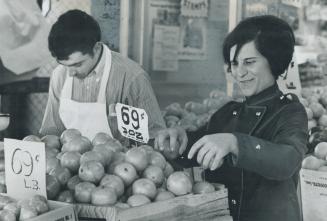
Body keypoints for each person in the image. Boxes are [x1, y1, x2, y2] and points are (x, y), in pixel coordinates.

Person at [155, 15, 308, 221]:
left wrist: (236, 143)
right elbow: (200, 151)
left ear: (274, 60)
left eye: (250, 62)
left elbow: (287, 160)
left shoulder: (290, 111)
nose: (239, 72)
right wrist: (179, 145)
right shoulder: (227, 113)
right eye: (235, 64)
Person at [40, 10, 165, 142]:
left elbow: (153, 136)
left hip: (120, 161)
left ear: (96, 48)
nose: (70, 73)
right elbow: (51, 131)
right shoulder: (59, 75)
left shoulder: (131, 77)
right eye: (64, 65)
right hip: (70, 160)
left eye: (77, 65)